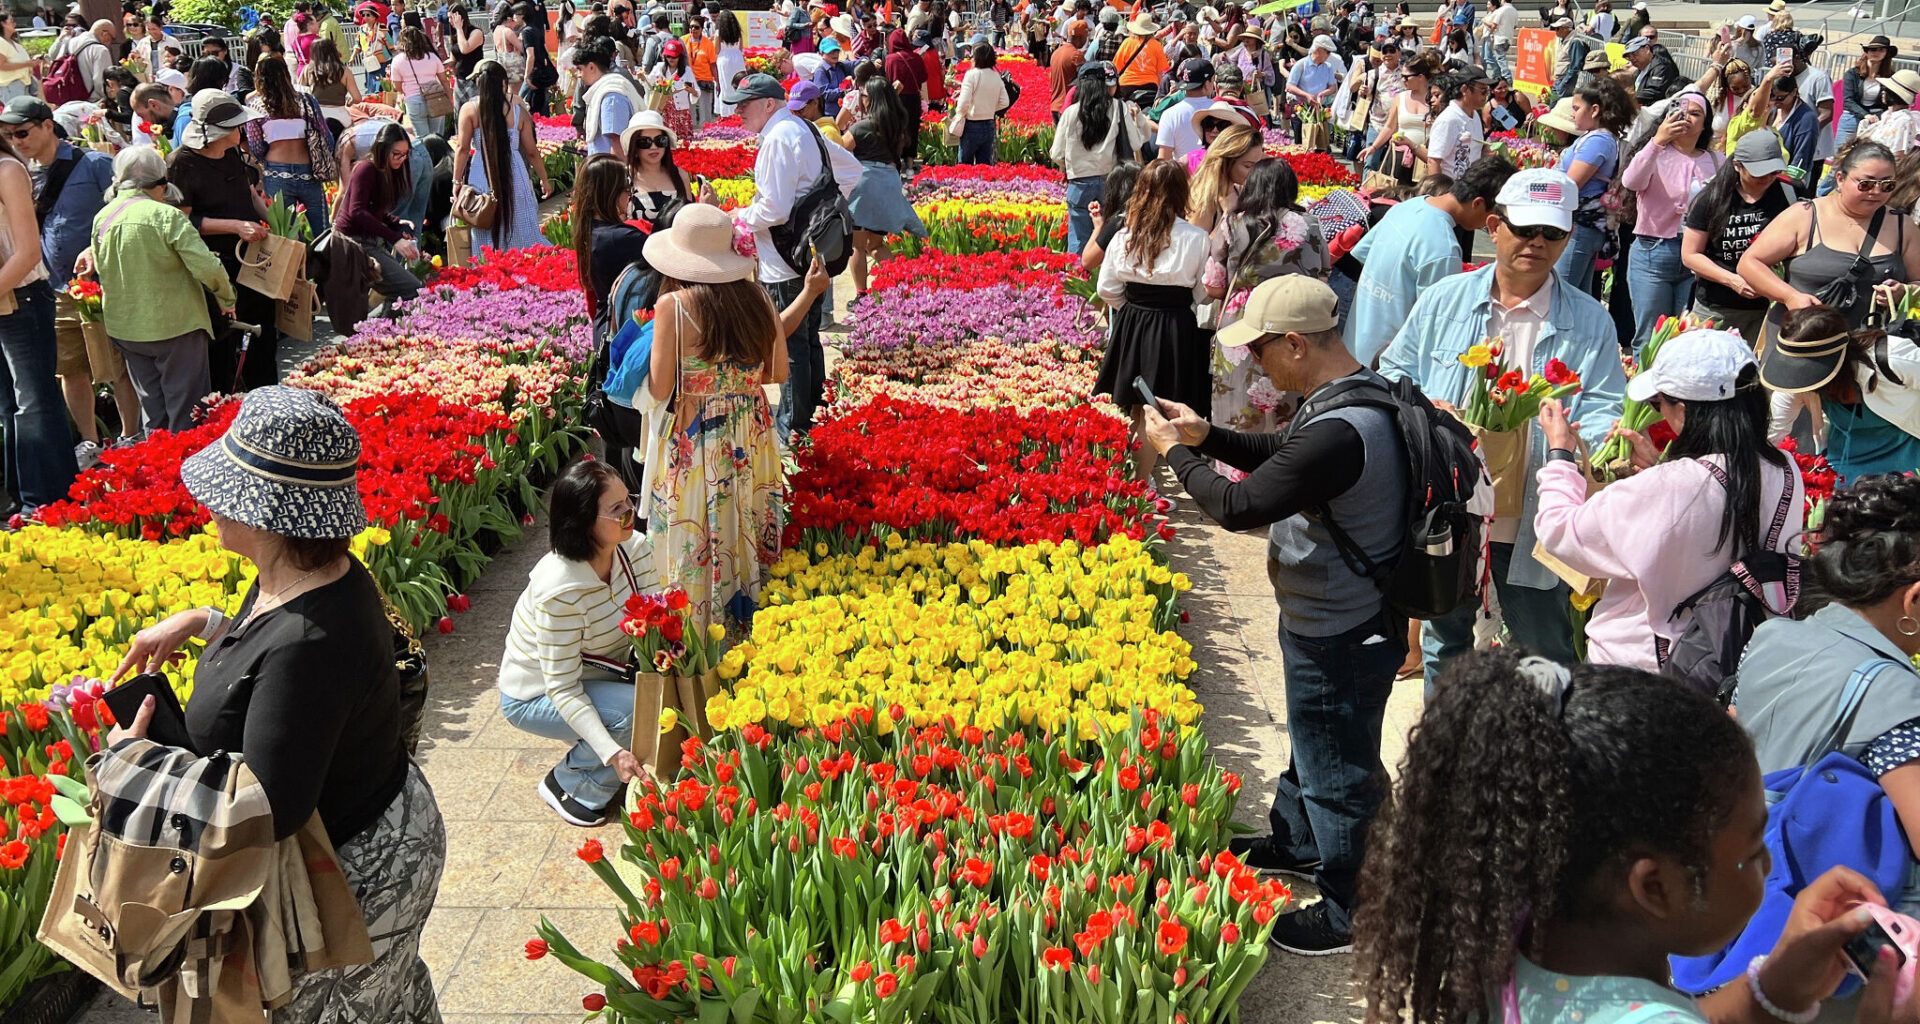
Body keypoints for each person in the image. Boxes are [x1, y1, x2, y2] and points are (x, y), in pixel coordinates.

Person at [109, 385, 443, 1022]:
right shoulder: (313, 577)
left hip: (355, 878)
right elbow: (273, 649)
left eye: (225, 490)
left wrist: (137, 765)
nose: (208, 501)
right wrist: (205, 621)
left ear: (268, 514)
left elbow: (270, 808)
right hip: (383, 825)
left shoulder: (306, 643)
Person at [1351, 646, 1909, 1024]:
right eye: (1754, 849)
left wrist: (1776, 992)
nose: (1768, 866)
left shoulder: (1514, 939)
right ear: (1656, 887)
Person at [1137, 275, 1405, 955]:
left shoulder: (1343, 426)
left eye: (1258, 349)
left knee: (1338, 765)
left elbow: (1238, 507)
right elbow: (1287, 462)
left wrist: (1173, 454)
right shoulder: (1353, 393)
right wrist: (1206, 437)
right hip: (1337, 610)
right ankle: (1299, 840)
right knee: (1317, 741)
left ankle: (1353, 909)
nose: (1252, 361)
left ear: (1294, 343)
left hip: (1341, 623)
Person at [1380, 168, 1626, 680]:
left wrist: (1576, 438)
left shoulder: (1590, 320)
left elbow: (1606, 406)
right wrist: (1428, 413)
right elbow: (1394, 375)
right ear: (1494, 226)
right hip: (1451, 507)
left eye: (1553, 234)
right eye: (1525, 229)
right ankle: (1446, 754)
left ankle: (1540, 756)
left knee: (1545, 648)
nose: (1537, 244)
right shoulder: (1445, 300)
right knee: (1444, 642)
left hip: (1534, 515)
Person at [1534, 328, 1801, 669]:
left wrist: (1560, 455)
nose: (1657, 411)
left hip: (1647, 664)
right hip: (1739, 654)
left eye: (1657, 403)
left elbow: (1561, 533)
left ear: (1686, 409)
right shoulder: (1784, 467)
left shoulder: (1671, 486)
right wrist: (1659, 472)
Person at [644, 204, 826, 629]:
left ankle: (700, 626)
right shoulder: (758, 298)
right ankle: (753, 619)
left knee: (699, 528)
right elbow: (777, 373)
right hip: (751, 432)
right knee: (746, 519)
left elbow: (658, 388)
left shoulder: (674, 305)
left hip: (698, 435)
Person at [1736, 473, 1920, 830]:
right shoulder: (1896, 694)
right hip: (1827, 879)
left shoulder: (1771, 637)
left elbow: (1732, 724)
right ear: (1912, 600)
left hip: (1748, 859)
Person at [496, 458, 650, 826]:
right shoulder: (558, 590)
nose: (631, 514)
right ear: (582, 522)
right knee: (636, 711)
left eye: (629, 502)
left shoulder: (637, 549)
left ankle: (602, 748)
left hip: (596, 673)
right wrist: (613, 753)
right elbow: (562, 688)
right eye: (617, 510)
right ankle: (572, 784)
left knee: (656, 700)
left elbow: (656, 616)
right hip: (535, 695)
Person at [5, 96, 139, 465]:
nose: (16, 141)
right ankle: (90, 442)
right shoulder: (19, 172)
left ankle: (131, 437)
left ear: (48, 125)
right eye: (8, 135)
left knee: (115, 363)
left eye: (22, 132)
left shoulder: (94, 163)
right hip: (52, 287)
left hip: (101, 283)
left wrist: (96, 250)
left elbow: (124, 208)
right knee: (71, 368)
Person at [728, 72, 861, 442]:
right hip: (814, 253)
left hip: (783, 259)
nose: (738, 111)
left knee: (788, 344)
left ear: (769, 104)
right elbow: (852, 170)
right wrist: (821, 212)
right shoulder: (806, 129)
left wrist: (740, 217)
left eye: (745, 103)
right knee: (809, 338)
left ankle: (794, 426)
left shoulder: (776, 139)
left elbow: (773, 209)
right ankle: (816, 414)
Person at [87, 146, 233, 434]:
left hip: (126, 329)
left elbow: (103, 269)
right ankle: (184, 470)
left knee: (153, 411)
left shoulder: (103, 217)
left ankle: (157, 468)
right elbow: (207, 267)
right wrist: (227, 297)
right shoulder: (166, 216)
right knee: (187, 413)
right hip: (175, 326)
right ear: (161, 184)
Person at [1093, 159, 1210, 483]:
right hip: (1174, 325)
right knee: (1155, 409)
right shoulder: (1197, 238)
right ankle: (1141, 483)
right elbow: (1202, 292)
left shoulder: (1125, 235)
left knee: (1134, 407)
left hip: (1133, 321)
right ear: (1181, 192)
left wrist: (1131, 309)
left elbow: (1106, 288)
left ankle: (1134, 478)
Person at [1205, 158, 1329, 438]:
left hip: (1241, 325)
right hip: (1292, 325)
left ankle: (1234, 473)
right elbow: (1322, 277)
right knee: (1289, 407)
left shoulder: (1234, 222)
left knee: (1236, 407)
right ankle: (1285, 470)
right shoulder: (1309, 224)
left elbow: (1213, 285)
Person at [1347, 155, 1512, 365]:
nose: (1490, 225)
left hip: (1354, 344)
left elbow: (1363, 254)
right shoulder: (1443, 248)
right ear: (1478, 203)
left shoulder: (1408, 206)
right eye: (1494, 217)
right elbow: (1436, 324)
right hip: (1389, 365)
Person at [1740, 140, 1919, 330]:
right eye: (1866, 184)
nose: (1876, 192)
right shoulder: (1804, 215)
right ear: (1840, 179)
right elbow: (1749, 262)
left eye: (1887, 185)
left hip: (1867, 349)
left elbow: (1917, 281)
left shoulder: (1902, 225)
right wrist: (1790, 296)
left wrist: (1905, 292)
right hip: (1802, 343)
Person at [167, 95, 278, 394]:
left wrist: (277, 224)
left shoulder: (233, 153)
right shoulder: (181, 163)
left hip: (253, 257)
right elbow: (181, 222)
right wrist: (234, 226)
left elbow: (250, 194)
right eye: (236, 124)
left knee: (264, 332)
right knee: (226, 339)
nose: (242, 128)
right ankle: (226, 403)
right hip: (216, 264)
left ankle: (267, 394)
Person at [1762, 305, 1920, 484]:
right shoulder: (1795, 382)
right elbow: (1772, 434)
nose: (1800, 381)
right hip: (1846, 466)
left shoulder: (1893, 359)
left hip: (1910, 463)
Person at [1621, 90, 1719, 352]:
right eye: (1681, 111)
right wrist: (1657, 141)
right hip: (1654, 252)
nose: (1687, 118)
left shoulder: (1715, 160)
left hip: (1697, 256)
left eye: (1696, 113)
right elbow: (1631, 182)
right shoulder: (1654, 152)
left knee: (1686, 338)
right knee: (1650, 339)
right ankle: (1643, 392)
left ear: (1705, 123)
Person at [1681, 129, 1795, 344]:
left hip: (1768, 308)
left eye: (1773, 172)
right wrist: (1733, 280)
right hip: (1717, 307)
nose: (1767, 179)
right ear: (1737, 165)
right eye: (1758, 173)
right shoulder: (1711, 198)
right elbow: (1690, 255)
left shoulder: (1789, 194)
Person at [453, 59, 554, 253]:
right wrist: (544, 180)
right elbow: (532, 152)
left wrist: (456, 182)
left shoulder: (470, 109)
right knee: (520, 219)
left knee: (483, 216)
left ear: (478, 83)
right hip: (514, 170)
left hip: (482, 170)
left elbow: (462, 148)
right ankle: (525, 262)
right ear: (503, 82)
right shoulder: (517, 112)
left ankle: (488, 265)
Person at [1552, 76, 1633, 294]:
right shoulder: (1595, 137)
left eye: (1577, 108)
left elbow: (1570, 185)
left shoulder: (1599, 140)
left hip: (1581, 225)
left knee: (1562, 292)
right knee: (1578, 294)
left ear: (1594, 110)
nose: (1573, 113)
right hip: (1582, 224)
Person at [245, 56, 338, 239]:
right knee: (323, 234)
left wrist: (267, 159)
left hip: (276, 173)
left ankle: (298, 267)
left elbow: (255, 145)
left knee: (288, 236)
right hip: (309, 170)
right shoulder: (307, 101)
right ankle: (326, 266)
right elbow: (326, 136)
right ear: (286, 74)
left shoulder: (256, 106)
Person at [333, 122, 424, 309]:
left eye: (405, 154)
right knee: (412, 290)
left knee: (404, 291)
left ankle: (373, 330)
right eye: (396, 154)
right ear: (383, 149)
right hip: (353, 243)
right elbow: (356, 212)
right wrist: (395, 238)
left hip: (366, 241)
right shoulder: (366, 168)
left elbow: (374, 210)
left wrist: (396, 223)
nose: (401, 159)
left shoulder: (384, 171)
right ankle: (375, 331)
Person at [848, 77, 926, 296]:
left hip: (865, 185)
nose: (860, 99)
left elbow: (839, 150)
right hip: (889, 183)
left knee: (857, 245)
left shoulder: (861, 128)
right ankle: (900, 285)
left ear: (870, 99)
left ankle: (861, 294)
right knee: (876, 244)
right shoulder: (896, 125)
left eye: (862, 96)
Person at [571, 153, 644, 328]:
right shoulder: (621, 239)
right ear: (611, 193)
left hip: (604, 324)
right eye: (627, 189)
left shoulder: (590, 230)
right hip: (625, 331)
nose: (630, 196)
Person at [1358, 51, 1436, 181]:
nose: (1402, 79)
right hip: (1400, 156)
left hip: (1424, 157)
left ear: (1420, 77)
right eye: (1402, 76)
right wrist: (1373, 147)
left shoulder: (1435, 99)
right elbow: (1389, 127)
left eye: (1406, 77)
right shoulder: (1400, 98)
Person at [621, 109, 699, 233]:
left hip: (672, 249)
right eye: (644, 142)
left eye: (660, 140)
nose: (654, 147)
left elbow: (688, 219)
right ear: (634, 147)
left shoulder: (679, 175)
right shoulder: (624, 177)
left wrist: (705, 207)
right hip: (637, 249)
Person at [1186, 122, 1262, 234]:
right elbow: (1197, 247)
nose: (1254, 172)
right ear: (1227, 162)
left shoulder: (1238, 189)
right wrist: (1227, 216)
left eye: (1257, 165)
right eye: (1248, 166)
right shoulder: (1204, 199)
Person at [950, 42, 1009, 165]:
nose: (970, 59)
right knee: (984, 167)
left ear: (977, 57)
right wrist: (990, 108)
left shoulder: (971, 75)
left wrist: (959, 114)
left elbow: (964, 102)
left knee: (965, 167)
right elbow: (1005, 102)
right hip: (989, 124)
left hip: (972, 124)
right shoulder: (996, 76)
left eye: (972, 56)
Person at [387, 25, 451, 137]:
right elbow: (444, 81)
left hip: (414, 100)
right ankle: (438, 155)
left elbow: (396, 86)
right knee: (438, 136)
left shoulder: (398, 60)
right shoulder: (432, 57)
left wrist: (406, 92)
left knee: (422, 137)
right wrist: (450, 97)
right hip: (436, 97)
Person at [1426, 66, 1488, 182]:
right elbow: (1433, 161)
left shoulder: (1475, 115)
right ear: (1465, 90)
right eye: (1483, 91)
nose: (1486, 96)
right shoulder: (1448, 119)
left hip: (1470, 188)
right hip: (1451, 190)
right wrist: (1439, 194)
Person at [1840, 35, 1895, 151]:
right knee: (1840, 155)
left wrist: (1878, 117)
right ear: (1866, 52)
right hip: (1852, 116)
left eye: (1881, 50)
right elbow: (1848, 101)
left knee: (1868, 156)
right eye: (1872, 49)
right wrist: (1866, 115)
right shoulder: (1852, 73)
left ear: (1887, 53)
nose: (1876, 52)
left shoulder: (1889, 76)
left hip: (1876, 120)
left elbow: (1888, 102)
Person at [302, 37, 365, 130]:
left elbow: (300, 92)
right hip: (340, 116)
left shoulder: (308, 69)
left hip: (316, 115)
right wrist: (349, 101)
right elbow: (357, 98)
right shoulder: (345, 71)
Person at [1115, 13, 1169, 107]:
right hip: (1150, 86)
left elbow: (1116, 67)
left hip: (1126, 86)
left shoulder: (1127, 43)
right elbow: (1160, 72)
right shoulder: (1157, 45)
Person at [444, 4, 484, 106]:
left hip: (474, 80)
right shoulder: (456, 35)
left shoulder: (476, 32)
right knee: (460, 114)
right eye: (448, 18)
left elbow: (464, 49)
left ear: (460, 17)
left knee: (475, 113)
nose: (450, 21)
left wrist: (459, 28)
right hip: (460, 80)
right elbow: (453, 59)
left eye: (452, 17)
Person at [1048, 20, 1087, 122]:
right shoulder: (1076, 55)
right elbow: (1086, 81)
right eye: (1085, 36)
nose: (1086, 40)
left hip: (1055, 106)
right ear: (1079, 37)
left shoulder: (1057, 52)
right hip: (1068, 107)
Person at [711, 9, 746, 117]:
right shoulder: (738, 33)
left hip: (724, 59)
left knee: (726, 86)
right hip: (738, 58)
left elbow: (716, 50)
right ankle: (740, 109)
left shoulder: (719, 33)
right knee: (739, 84)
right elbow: (741, 48)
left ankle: (726, 113)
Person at [486, 4, 522, 93]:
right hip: (512, 67)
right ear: (509, 19)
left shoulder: (497, 30)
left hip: (501, 62)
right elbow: (521, 48)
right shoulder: (507, 31)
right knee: (514, 93)